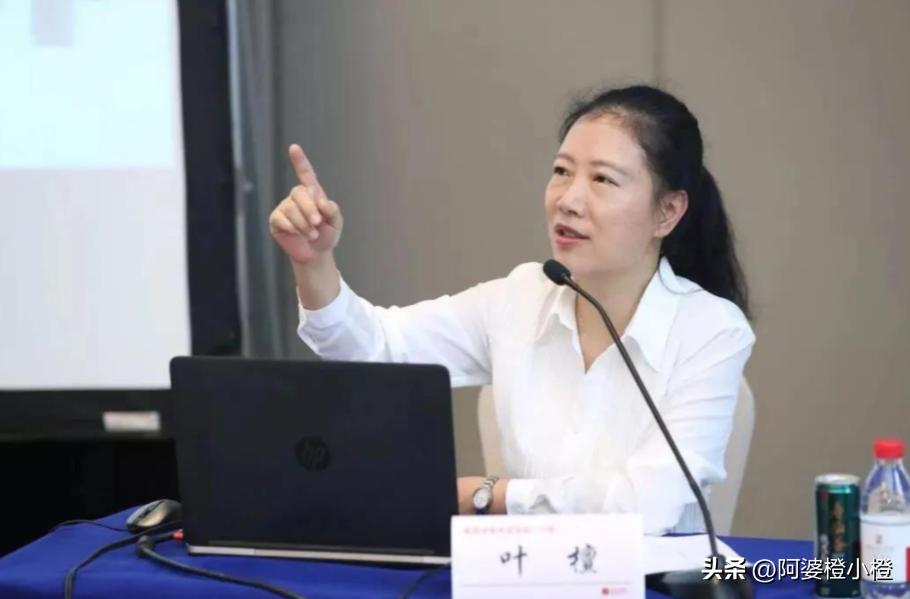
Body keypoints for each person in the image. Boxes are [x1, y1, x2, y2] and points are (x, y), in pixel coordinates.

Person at [268, 84, 755, 534]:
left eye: (603, 179)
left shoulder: (710, 330)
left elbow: (649, 504)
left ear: (667, 212)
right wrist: (314, 263)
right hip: (522, 574)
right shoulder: (521, 298)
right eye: (561, 172)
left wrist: (490, 495)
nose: (569, 200)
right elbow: (375, 350)